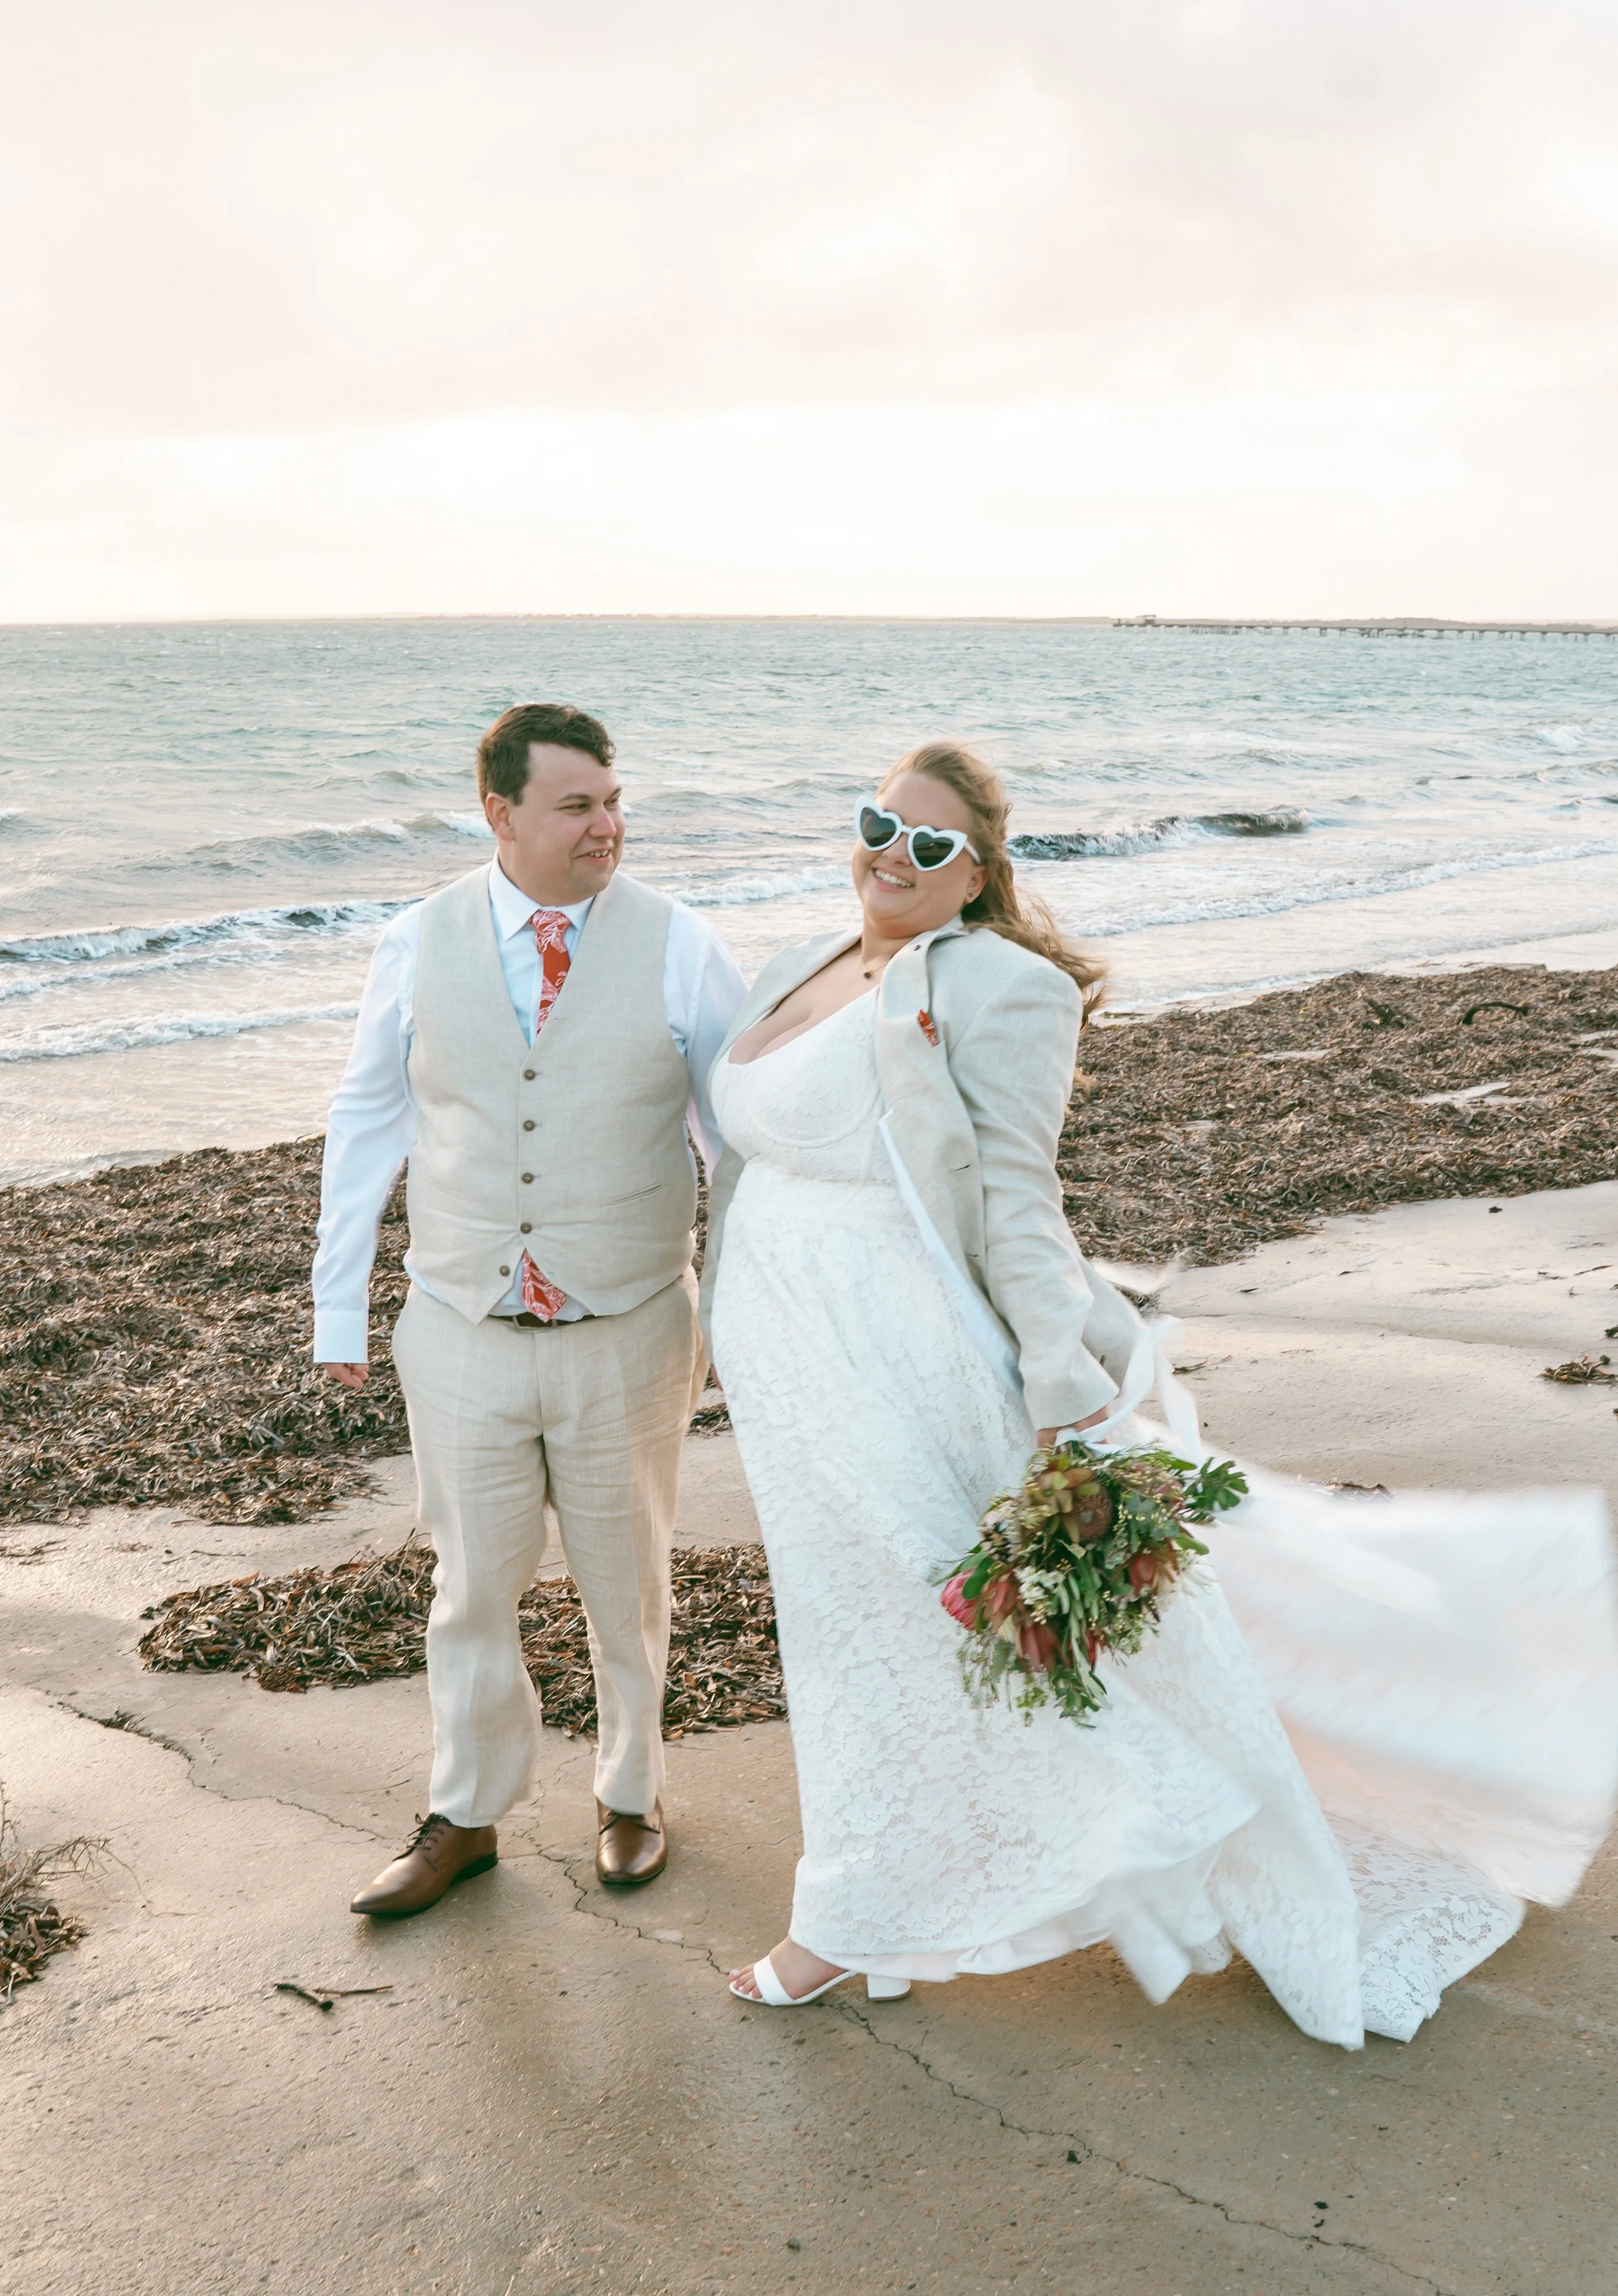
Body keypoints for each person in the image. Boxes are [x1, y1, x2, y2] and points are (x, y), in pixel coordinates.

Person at [703, 740, 1618, 2042]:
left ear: (977, 874)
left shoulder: (998, 986)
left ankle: (851, 1922)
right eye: (876, 825)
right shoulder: (802, 960)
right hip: (794, 1370)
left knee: (930, 1634)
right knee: (855, 1635)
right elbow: (739, 1153)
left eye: (926, 846)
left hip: (905, 1361)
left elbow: (1018, 1203)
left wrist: (1059, 1390)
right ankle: (889, 1920)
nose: (890, 858)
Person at [313, 701, 746, 1915]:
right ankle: (465, 1817)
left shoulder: (678, 943)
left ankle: (631, 1792)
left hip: (630, 1328)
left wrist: (756, 1307)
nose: (607, 825)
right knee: (469, 1587)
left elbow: (734, 1135)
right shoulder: (414, 941)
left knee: (629, 1579)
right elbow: (366, 1122)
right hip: (461, 1330)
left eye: (613, 800)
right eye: (577, 805)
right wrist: (337, 1306)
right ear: (500, 815)